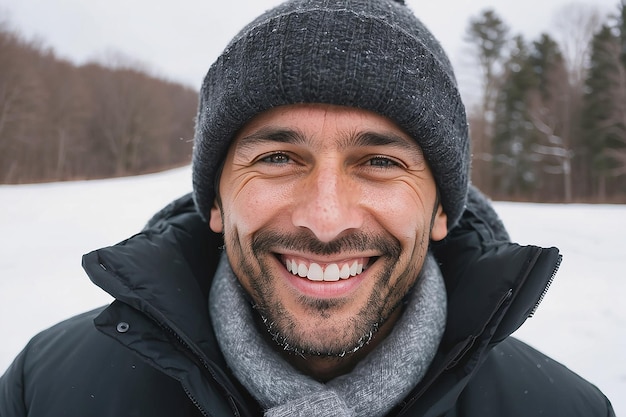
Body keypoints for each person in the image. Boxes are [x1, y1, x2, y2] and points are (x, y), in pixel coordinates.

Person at [0, 0, 615, 416]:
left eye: (379, 162)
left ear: (439, 213)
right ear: (216, 199)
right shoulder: (48, 390)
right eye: (277, 159)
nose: (324, 220)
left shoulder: (565, 409)